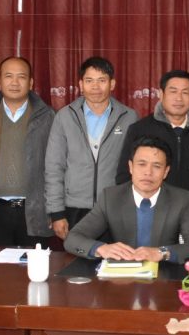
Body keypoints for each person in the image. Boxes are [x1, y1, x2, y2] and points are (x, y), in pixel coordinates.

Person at [116, 70, 189, 244]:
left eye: (185, 92)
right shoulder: (140, 129)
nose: (179, 98)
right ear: (161, 94)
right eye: (173, 91)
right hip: (150, 220)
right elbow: (124, 177)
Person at [65, 137, 189, 264]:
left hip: (163, 276)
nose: (148, 172)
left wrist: (162, 253)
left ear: (166, 172)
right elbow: (72, 239)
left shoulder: (180, 199)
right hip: (121, 277)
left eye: (157, 166)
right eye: (141, 164)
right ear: (130, 167)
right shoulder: (111, 197)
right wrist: (100, 248)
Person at [45, 56, 138, 240]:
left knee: (114, 257)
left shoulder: (129, 117)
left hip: (115, 207)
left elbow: (135, 166)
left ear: (112, 84)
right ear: (81, 84)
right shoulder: (65, 116)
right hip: (74, 207)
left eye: (102, 80)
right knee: (74, 257)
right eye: (89, 81)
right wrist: (56, 213)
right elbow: (54, 167)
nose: (95, 87)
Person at [0, 56, 54, 247]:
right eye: (8, 76)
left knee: (34, 265)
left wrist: (54, 211)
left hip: (34, 212)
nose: (15, 82)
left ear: (30, 82)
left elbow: (56, 167)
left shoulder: (47, 117)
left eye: (21, 77)